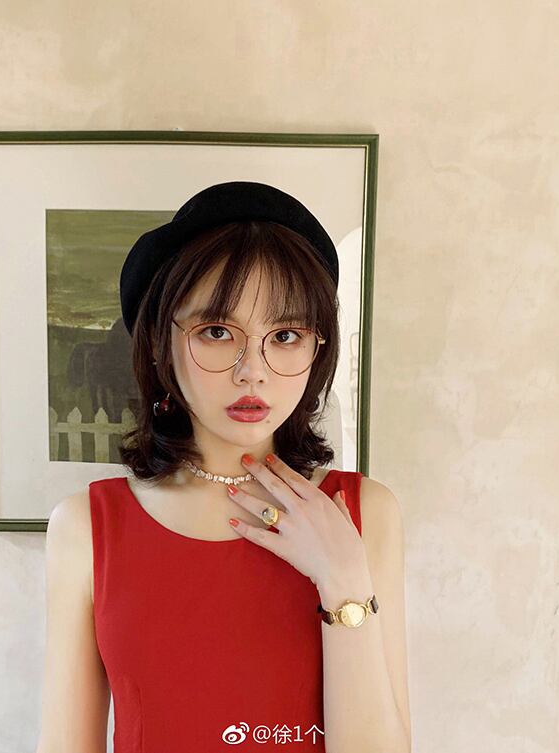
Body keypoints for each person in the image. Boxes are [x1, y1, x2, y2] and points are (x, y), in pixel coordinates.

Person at [35, 181, 412, 752]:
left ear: (317, 349)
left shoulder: (365, 513)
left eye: (285, 335)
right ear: (159, 342)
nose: (251, 370)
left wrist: (342, 578)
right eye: (216, 331)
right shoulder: (88, 527)